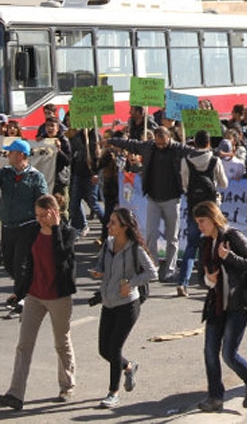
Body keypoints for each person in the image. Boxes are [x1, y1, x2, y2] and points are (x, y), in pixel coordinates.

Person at [0, 195, 76, 411]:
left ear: (55, 212)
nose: (40, 220)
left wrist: (55, 229)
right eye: (38, 216)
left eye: (44, 215)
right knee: (24, 345)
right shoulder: (34, 231)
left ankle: (67, 386)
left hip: (59, 297)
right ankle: (15, 393)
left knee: (61, 342)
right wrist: (20, 292)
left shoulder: (68, 233)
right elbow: (30, 265)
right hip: (35, 295)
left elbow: (61, 259)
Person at [193, 201, 247, 413]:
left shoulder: (233, 236)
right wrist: (208, 279)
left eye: (202, 221)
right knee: (209, 352)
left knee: (229, 354)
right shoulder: (205, 243)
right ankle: (215, 397)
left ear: (213, 218)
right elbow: (200, 275)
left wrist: (228, 257)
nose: (200, 226)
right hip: (215, 304)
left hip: (236, 304)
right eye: (197, 222)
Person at [90, 207, 157, 408]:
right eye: (109, 221)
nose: (108, 225)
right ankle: (129, 366)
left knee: (114, 348)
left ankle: (113, 392)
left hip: (128, 305)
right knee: (104, 350)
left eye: (113, 223)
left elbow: (153, 273)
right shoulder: (108, 244)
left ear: (124, 227)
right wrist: (98, 272)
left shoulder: (135, 249)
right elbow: (101, 265)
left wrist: (131, 283)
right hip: (108, 302)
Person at [107, 126, 195, 281]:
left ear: (169, 138)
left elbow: (194, 152)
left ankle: (170, 269)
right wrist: (112, 140)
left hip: (172, 199)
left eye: (163, 143)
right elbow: (131, 144)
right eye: (158, 142)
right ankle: (153, 267)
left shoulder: (177, 149)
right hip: (153, 198)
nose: (160, 146)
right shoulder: (149, 147)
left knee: (172, 237)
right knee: (150, 235)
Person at [0, 139, 49, 317]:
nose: (8, 155)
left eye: (10, 152)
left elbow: (43, 199)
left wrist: (44, 219)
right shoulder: (5, 173)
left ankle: (21, 297)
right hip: (7, 224)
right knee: (8, 262)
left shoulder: (35, 176)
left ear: (21, 155)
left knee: (20, 262)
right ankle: (27, 290)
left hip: (27, 225)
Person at [177, 130, 229, 297]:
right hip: (212, 208)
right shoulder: (215, 161)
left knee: (191, 246)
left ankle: (183, 283)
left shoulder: (186, 161)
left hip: (194, 207)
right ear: (208, 144)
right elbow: (224, 183)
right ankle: (218, 280)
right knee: (216, 243)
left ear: (194, 143)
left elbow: (184, 184)